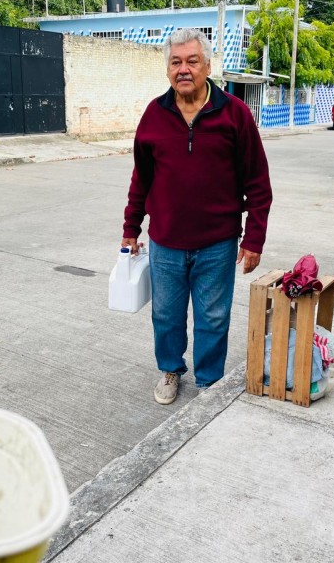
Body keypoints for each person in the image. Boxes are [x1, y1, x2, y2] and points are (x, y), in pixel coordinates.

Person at [121, 28, 273, 405]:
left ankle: (209, 383)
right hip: (166, 242)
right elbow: (141, 177)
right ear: (168, 70)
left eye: (192, 61)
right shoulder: (154, 115)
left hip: (217, 243)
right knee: (167, 317)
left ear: (208, 66)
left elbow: (257, 180)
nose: (183, 69)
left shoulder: (234, 114)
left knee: (214, 318)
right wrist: (131, 228)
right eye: (176, 62)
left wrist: (253, 238)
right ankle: (171, 369)